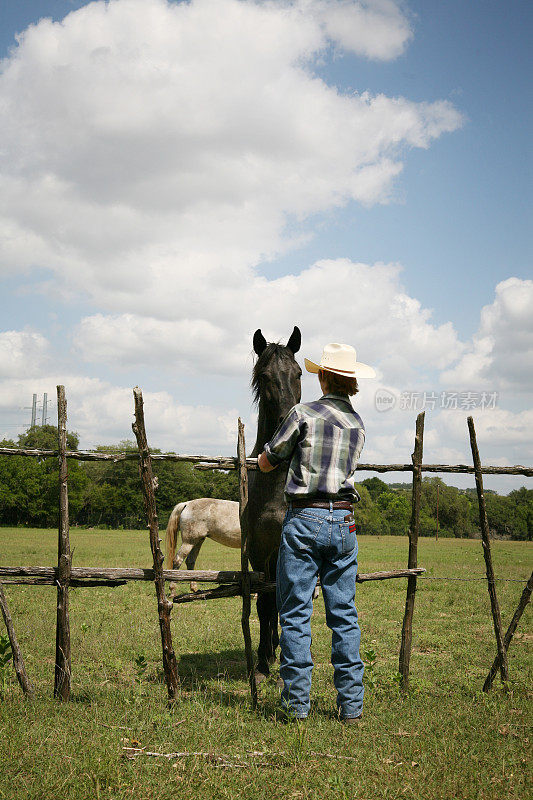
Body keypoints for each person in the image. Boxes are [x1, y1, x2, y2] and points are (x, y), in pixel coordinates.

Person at [258, 342, 375, 723]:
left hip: (304, 519)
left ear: (321, 376)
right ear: (352, 381)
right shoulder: (358, 425)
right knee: (343, 614)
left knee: (294, 614)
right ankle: (351, 707)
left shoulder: (301, 413)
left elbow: (267, 462)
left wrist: (268, 455)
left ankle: (296, 706)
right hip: (344, 521)